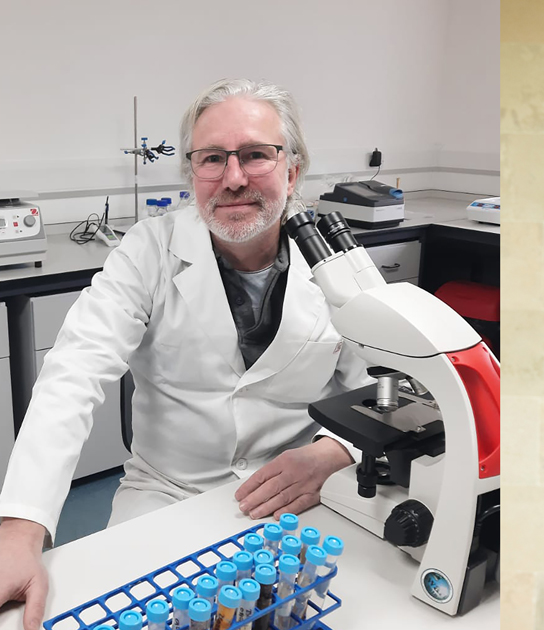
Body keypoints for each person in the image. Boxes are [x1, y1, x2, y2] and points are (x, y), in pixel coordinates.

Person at [0, 79, 370, 630]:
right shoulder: (149, 250)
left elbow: (384, 383)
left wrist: (337, 450)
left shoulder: (338, 263)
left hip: (296, 494)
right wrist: (20, 527)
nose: (233, 177)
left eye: (255, 155)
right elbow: (73, 374)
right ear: (192, 172)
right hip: (167, 492)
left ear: (292, 171)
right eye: (212, 158)